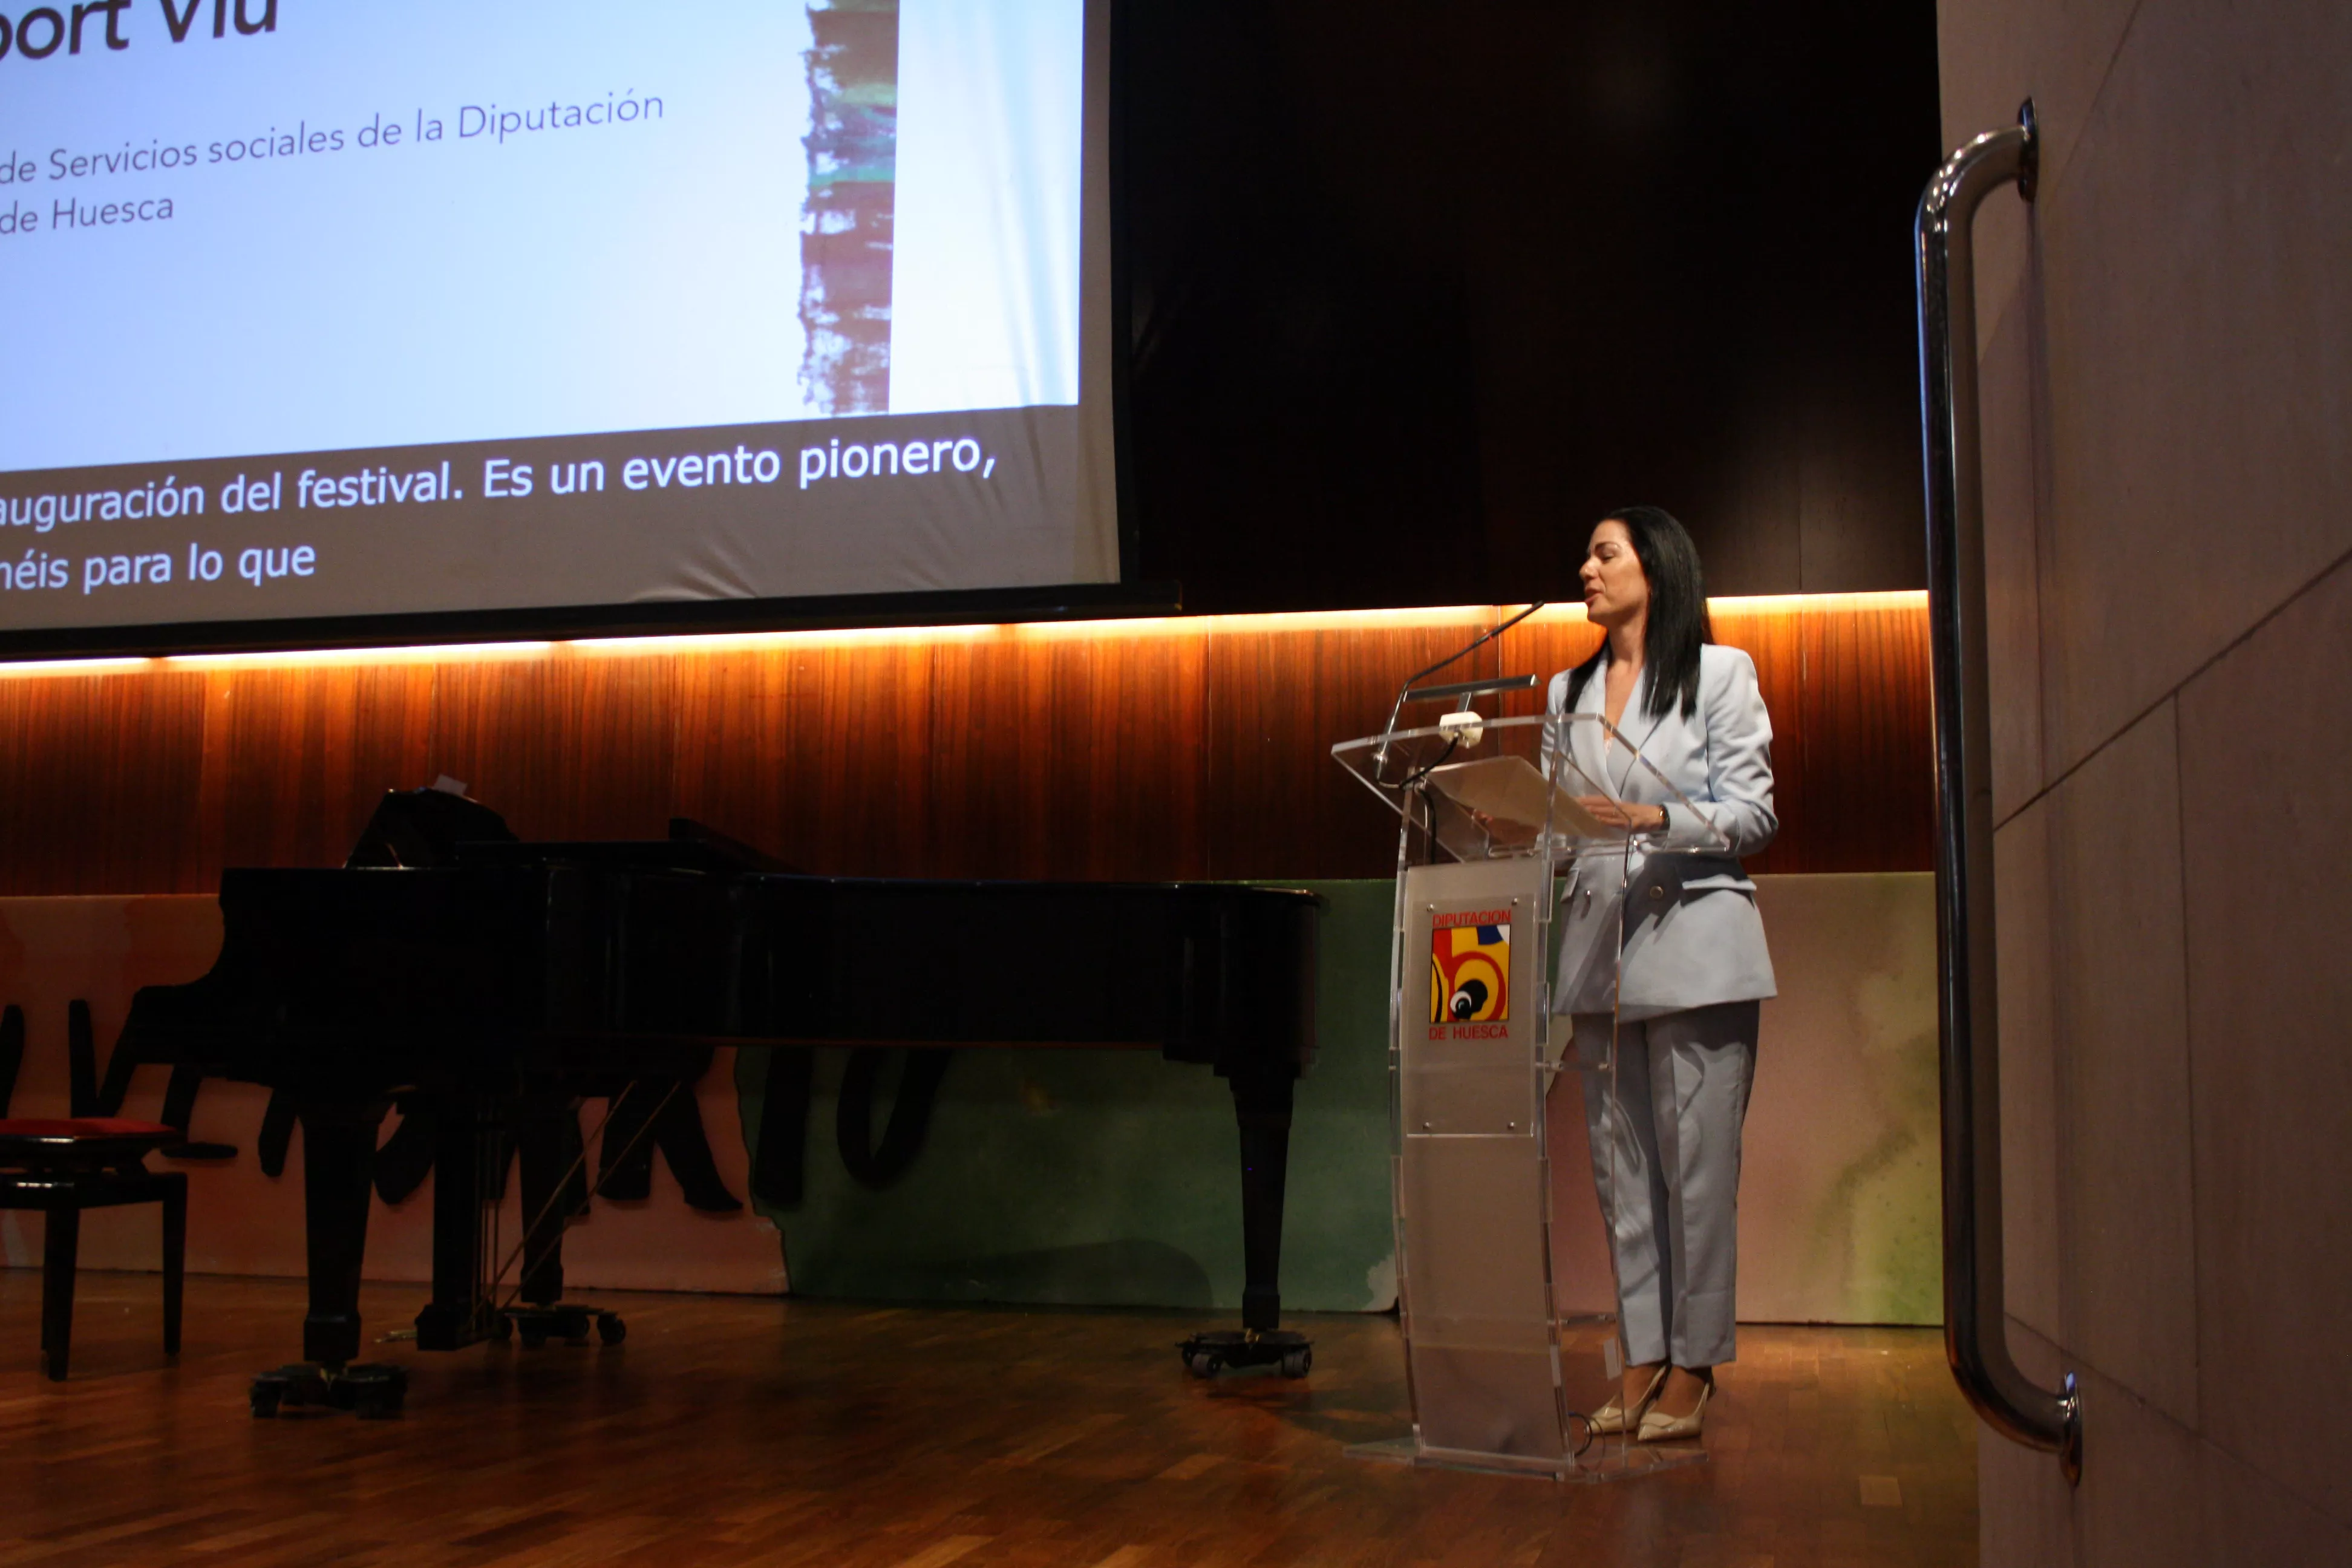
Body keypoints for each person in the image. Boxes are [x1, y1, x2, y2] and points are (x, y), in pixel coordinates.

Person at [1544, 505, 1776, 1443]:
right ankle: (1641, 1351)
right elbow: (1563, 824)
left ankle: (1695, 1362)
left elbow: (1753, 814)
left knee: (1697, 1170)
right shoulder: (1565, 690)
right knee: (1621, 1172)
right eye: (1589, 554)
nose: (1587, 569)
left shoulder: (1719, 674)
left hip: (1698, 948)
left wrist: (1652, 822)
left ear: (1656, 565)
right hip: (1600, 957)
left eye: (1605, 553)